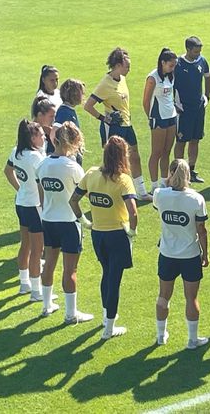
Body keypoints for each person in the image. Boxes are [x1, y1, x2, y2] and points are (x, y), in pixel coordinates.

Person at [69, 136, 138, 339]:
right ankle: (109, 328)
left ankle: (106, 317)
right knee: (114, 279)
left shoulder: (91, 173)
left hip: (98, 234)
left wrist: (83, 220)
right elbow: (133, 212)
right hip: (117, 235)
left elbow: (73, 200)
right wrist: (132, 231)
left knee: (106, 274)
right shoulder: (123, 180)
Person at [37, 122, 94, 323]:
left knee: (49, 263)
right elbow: (85, 193)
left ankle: (46, 306)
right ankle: (71, 314)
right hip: (69, 223)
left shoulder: (43, 164)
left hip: (48, 220)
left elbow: (41, 194)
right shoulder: (73, 168)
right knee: (70, 269)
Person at [153, 159, 210, 349]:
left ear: (170, 173)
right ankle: (192, 340)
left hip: (167, 254)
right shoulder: (196, 199)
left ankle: (161, 336)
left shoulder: (159, 194)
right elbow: (202, 230)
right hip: (190, 255)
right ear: (188, 175)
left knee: (163, 295)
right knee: (191, 298)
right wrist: (205, 254)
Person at [84, 47, 150, 200]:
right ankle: (113, 193)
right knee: (114, 162)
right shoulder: (105, 84)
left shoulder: (122, 78)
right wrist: (104, 118)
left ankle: (141, 192)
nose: (129, 69)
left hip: (127, 124)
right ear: (118, 65)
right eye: (127, 66)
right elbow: (88, 106)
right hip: (114, 127)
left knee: (135, 156)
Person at [4, 119, 47, 301]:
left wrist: (20, 189)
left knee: (25, 244)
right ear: (32, 138)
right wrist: (45, 207)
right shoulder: (36, 157)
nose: (44, 137)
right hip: (35, 206)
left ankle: (24, 284)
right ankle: (36, 292)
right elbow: (42, 183)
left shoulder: (17, 152)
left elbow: (7, 171)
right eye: (41, 135)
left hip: (21, 204)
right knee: (38, 249)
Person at [173, 36, 210, 183]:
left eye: (199, 51)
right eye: (196, 51)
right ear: (188, 49)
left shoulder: (202, 61)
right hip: (183, 109)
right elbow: (170, 84)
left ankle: (191, 170)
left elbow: (208, 77)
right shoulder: (178, 64)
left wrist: (207, 96)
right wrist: (174, 103)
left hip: (198, 108)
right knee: (181, 141)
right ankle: (178, 172)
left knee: (195, 140)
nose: (198, 54)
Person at [143, 48, 178, 192]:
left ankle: (164, 183)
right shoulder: (153, 78)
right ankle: (154, 186)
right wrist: (151, 117)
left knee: (167, 151)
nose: (173, 68)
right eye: (171, 65)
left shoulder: (170, 75)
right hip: (158, 118)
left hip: (171, 116)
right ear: (162, 63)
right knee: (156, 152)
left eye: (174, 65)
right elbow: (146, 101)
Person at [55, 79, 86, 165]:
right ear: (74, 94)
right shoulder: (64, 112)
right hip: (69, 158)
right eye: (81, 92)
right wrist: (65, 154)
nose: (83, 95)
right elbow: (54, 132)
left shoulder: (69, 110)